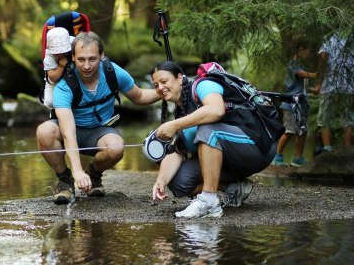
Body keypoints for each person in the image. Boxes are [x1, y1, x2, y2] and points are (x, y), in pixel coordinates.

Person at [36, 32, 160, 204]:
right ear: (72, 57)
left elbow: (138, 96)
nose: (87, 65)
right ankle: (65, 181)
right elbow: (68, 133)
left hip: (99, 131)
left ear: (102, 56)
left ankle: (93, 175)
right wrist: (76, 171)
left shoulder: (112, 72)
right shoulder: (64, 84)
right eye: (81, 59)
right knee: (44, 131)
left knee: (116, 147)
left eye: (92, 59)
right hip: (72, 131)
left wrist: (164, 92)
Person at [149, 61, 277, 218]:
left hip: (257, 147)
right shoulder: (181, 112)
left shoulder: (202, 85)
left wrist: (175, 125)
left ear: (180, 78)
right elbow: (177, 151)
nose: (160, 88)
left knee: (207, 130)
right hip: (231, 159)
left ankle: (209, 201)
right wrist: (160, 181)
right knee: (178, 182)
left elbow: (216, 110)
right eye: (156, 85)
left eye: (164, 81)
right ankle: (234, 188)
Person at [311, 32, 354, 151]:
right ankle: (347, 150)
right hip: (349, 87)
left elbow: (323, 61)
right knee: (349, 119)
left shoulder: (328, 38)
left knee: (325, 119)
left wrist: (318, 85)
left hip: (329, 86)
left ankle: (327, 148)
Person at [274, 42, 317, 167]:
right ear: (300, 50)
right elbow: (302, 74)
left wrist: (313, 89)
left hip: (301, 104)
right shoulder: (293, 63)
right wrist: (315, 74)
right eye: (307, 50)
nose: (308, 54)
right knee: (290, 130)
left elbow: (301, 85)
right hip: (290, 104)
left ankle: (298, 157)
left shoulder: (301, 64)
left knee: (303, 131)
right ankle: (277, 156)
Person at [41, 27, 73, 108]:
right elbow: (53, 78)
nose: (61, 55)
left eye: (64, 52)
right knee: (50, 102)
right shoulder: (49, 54)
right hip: (55, 72)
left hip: (74, 72)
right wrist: (61, 66)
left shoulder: (76, 43)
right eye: (57, 53)